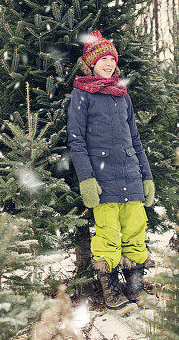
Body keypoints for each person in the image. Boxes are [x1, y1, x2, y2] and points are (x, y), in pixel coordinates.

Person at [67, 29, 157, 315]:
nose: (108, 63)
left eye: (111, 59)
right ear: (90, 63)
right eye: (102, 59)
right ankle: (112, 292)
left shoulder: (122, 94)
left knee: (135, 231)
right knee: (107, 235)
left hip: (130, 174)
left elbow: (136, 139)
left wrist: (147, 176)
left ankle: (135, 287)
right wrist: (87, 180)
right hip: (102, 177)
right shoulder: (82, 94)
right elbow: (76, 140)